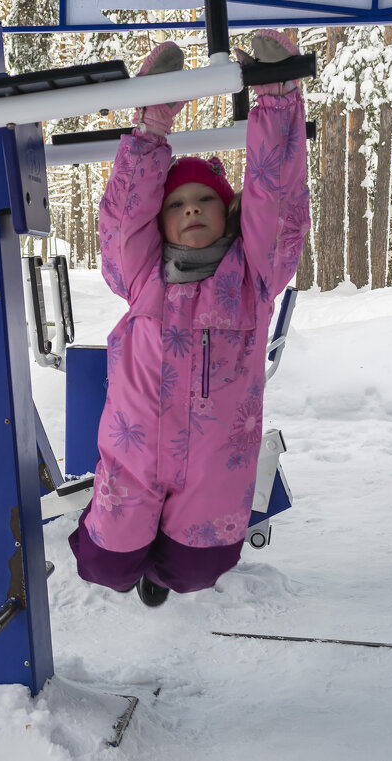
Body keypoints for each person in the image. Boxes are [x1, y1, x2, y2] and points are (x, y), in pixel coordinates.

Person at [68, 31, 312, 607]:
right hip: (133, 457)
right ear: (163, 220)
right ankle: (135, 561)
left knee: (197, 568)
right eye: (177, 204)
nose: (192, 208)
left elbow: (276, 199)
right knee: (103, 564)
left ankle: (162, 574)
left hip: (214, 466)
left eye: (204, 200)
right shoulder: (143, 275)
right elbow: (124, 213)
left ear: (226, 213)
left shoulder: (252, 278)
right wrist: (152, 127)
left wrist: (275, 100)